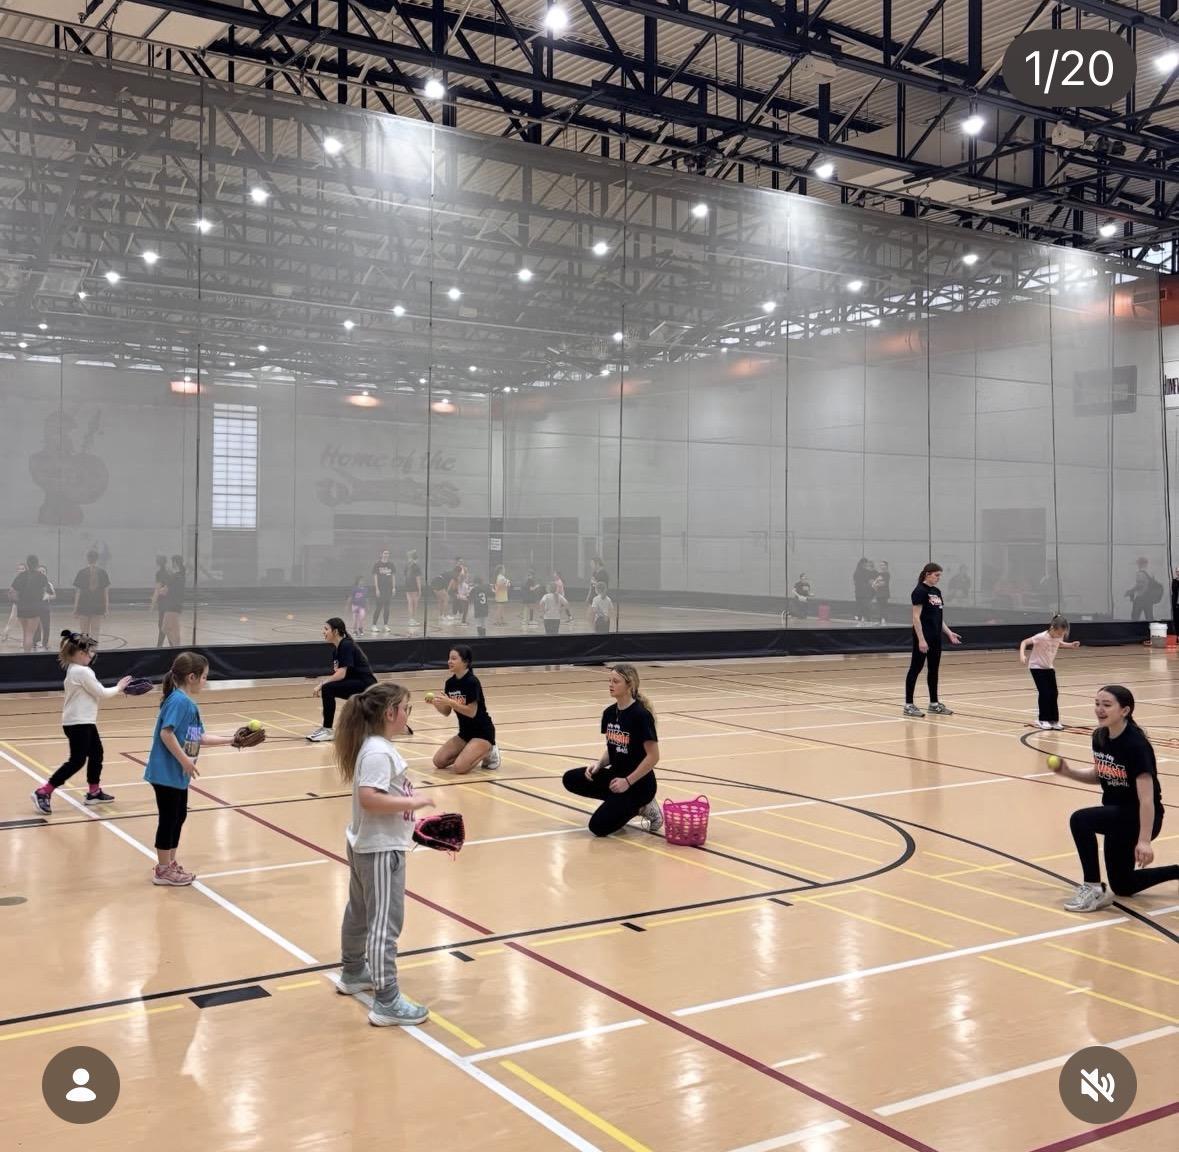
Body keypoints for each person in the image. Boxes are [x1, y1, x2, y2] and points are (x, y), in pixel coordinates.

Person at [334, 682, 436, 1026]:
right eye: (406, 708)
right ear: (390, 712)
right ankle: (387, 1000)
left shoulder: (375, 746)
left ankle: (353, 972)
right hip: (379, 849)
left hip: (369, 843)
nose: (408, 714)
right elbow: (370, 798)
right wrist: (414, 802)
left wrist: (412, 823)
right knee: (384, 923)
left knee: (360, 912)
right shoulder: (378, 752)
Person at [1052, 685, 1179, 912]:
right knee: (1123, 885)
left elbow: (1147, 799)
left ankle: (1093, 888)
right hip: (1117, 815)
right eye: (1097, 704)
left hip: (1139, 817)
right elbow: (1101, 775)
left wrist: (1144, 841)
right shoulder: (1100, 737)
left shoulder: (1136, 745)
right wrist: (1068, 772)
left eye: (1107, 705)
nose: (1099, 709)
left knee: (1080, 819)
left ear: (1125, 710)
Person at [144, 652, 238, 886]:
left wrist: (231, 740)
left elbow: (198, 738)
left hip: (177, 774)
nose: (206, 681)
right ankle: (162, 870)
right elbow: (166, 733)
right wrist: (185, 760)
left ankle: (169, 863)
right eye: (204, 677)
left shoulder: (188, 704)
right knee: (169, 819)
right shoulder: (180, 702)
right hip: (166, 772)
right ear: (192, 677)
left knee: (179, 816)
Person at [31, 631, 132, 813]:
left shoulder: (74, 669)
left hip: (83, 722)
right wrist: (119, 687)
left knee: (96, 754)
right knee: (77, 761)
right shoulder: (82, 671)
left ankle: (94, 792)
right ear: (79, 653)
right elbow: (101, 693)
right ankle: (43, 791)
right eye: (89, 651)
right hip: (78, 723)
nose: (92, 655)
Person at [561, 664, 662, 836]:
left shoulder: (641, 716)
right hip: (616, 777)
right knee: (571, 778)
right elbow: (613, 747)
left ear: (629, 685)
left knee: (597, 827)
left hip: (639, 785)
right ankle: (618, 804)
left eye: (616, 681)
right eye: (610, 681)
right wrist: (599, 764)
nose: (610, 685)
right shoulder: (609, 713)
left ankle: (644, 806)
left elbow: (653, 757)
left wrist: (627, 782)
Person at [429, 645, 500, 773]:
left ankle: (490, 750)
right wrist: (436, 704)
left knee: (459, 768)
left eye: (454, 658)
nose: (449, 661)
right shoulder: (450, 683)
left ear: (465, 662)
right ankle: (470, 749)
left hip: (482, 733)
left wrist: (451, 702)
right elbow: (446, 712)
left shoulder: (472, 682)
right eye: (449, 658)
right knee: (439, 761)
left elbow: (471, 712)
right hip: (465, 734)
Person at [904, 562, 962, 717]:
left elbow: (938, 617)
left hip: (936, 637)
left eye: (939, 575)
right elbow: (916, 618)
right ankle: (908, 705)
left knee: (933, 669)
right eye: (936, 575)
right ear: (927, 574)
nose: (938, 578)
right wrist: (921, 640)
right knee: (915, 669)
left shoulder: (936, 592)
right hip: (924, 637)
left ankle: (934, 704)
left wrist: (949, 633)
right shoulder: (919, 591)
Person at [308, 618, 377, 742]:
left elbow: (341, 674)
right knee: (329, 689)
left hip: (367, 685)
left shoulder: (346, 645)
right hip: (357, 683)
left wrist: (321, 684)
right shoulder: (336, 649)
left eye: (326, 629)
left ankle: (327, 730)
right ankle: (326, 728)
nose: (323, 632)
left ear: (335, 631)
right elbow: (340, 673)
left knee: (327, 688)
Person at [1019, 614, 1081, 730]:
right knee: (1044, 693)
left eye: (1062, 634)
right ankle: (1042, 720)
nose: (1060, 636)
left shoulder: (1058, 636)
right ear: (1052, 628)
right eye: (1059, 633)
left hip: (1049, 667)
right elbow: (1024, 642)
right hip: (1037, 667)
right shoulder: (1041, 637)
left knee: (1054, 693)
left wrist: (1070, 645)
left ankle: (1054, 720)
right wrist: (1022, 655)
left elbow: (1058, 643)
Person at [10, 554, 49, 652]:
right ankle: (27, 655)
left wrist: (17, 601)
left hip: (22, 607)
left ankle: (25, 653)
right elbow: (44, 592)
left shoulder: (21, 576)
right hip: (35, 608)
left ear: (27, 564)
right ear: (37, 564)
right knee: (30, 634)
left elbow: (12, 591)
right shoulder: (42, 576)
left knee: (25, 633)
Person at [72, 549, 111, 639]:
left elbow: (78, 593)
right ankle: (93, 648)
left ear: (87, 559)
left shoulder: (81, 572)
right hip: (98, 605)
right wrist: (106, 608)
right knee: (95, 631)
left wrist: (75, 609)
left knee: (84, 633)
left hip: (83, 605)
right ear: (97, 559)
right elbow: (105, 593)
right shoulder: (103, 572)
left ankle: (85, 648)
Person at [372, 549, 395, 634]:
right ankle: (374, 625)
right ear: (381, 554)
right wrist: (377, 589)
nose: (386, 555)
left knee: (387, 608)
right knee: (379, 607)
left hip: (388, 589)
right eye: (385, 553)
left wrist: (393, 587)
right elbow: (375, 577)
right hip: (380, 589)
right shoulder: (377, 564)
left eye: (388, 553)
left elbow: (393, 576)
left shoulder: (391, 565)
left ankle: (385, 625)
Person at [404, 549, 422, 628]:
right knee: (415, 603)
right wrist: (420, 589)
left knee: (410, 603)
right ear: (416, 559)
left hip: (407, 586)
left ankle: (411, 619)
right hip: (414, 587)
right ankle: (412, 619)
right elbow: (418, 578)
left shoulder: (407, 565)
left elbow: (405, 576)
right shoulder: (416, 566)